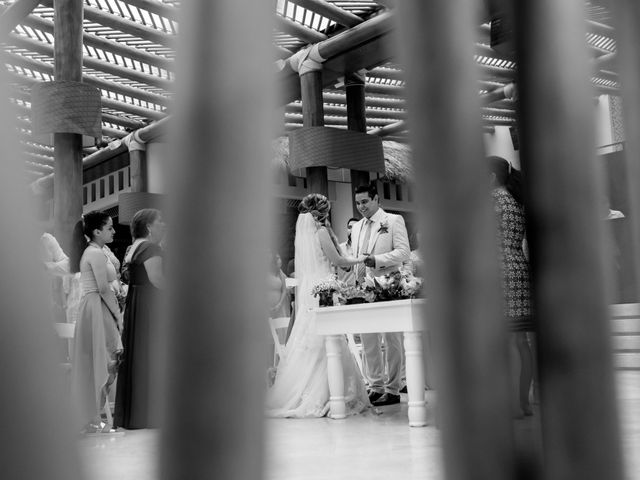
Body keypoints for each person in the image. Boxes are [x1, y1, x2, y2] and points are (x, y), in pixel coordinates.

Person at [265, 193, 370, 418]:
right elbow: (338, 261)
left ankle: (318, 390)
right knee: (326, 340)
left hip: (311, 290)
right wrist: (362, 259)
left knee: (313, 343)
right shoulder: (321, 232)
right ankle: (326, 393)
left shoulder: (306, 234)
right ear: (323, 212)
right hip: (323, 288)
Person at [352, 184, 410, 407]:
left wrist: (377, 260)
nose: (361, 207)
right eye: (358, 203)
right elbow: (356, 254)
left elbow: (404, 252)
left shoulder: (393, 220)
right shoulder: (357, 227)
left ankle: (393, 389)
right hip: (363, 288)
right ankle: (375, 386)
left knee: (392, 339)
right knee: (368, 340)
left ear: (376, 199)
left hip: (388, 286)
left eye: (365, 202)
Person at [488, 156, 534, 418]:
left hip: (499, 270)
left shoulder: (493, 199)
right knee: (521, 341)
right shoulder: (517, 200)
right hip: (518, 267)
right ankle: (524, 403)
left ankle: (513, 405)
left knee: (507, 342)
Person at [69, 211, 123, 433]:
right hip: (96, 306)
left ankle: (94, 416)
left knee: (105, 359)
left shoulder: (97, 251)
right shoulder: (95, 253)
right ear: (96, 231)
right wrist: (118, 314)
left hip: (95, 306)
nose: (114, 231)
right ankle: (93, 416)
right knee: (106, 358)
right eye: (110, 228)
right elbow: (102, 287)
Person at [114, 208, 166, 429]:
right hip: (151, 304)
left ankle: (136, 413)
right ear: (148, 227)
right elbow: (157, 279)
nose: (164, 224)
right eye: (160, 221)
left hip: (137, 302)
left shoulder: (131, 247)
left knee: (140, 353)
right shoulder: (150, 247)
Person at [267, 252, 290, 319]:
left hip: (280, 306)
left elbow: (284, 290)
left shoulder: (280, 272)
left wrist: (279, 305)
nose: (280, 260)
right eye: (277, 258)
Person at [337, 217, 359, 286]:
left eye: (355, 228)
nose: (352, 230)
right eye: (349, 227)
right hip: (344, 293)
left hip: (363, 292)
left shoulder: (367, 249)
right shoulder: (339, 249)